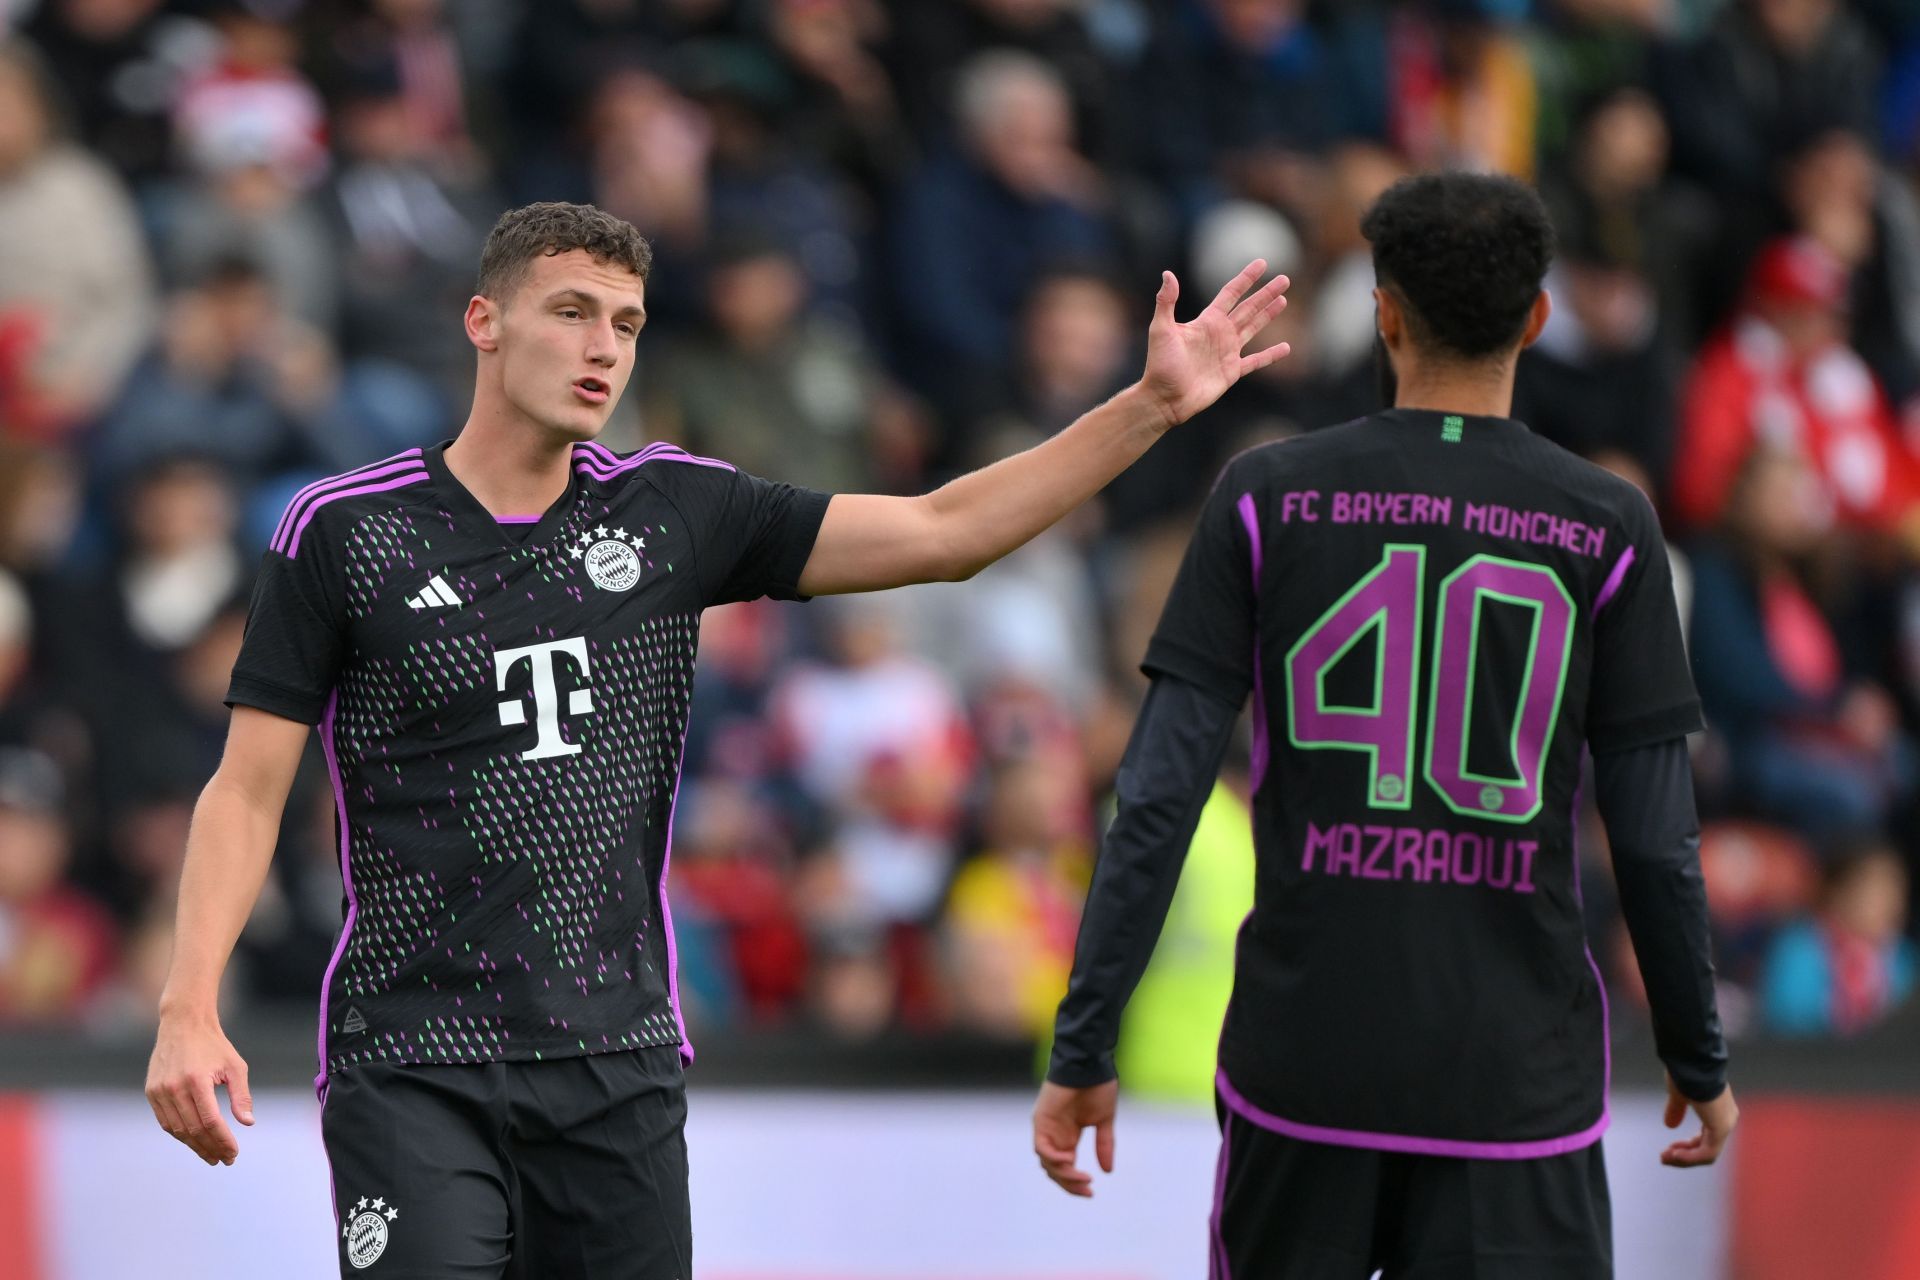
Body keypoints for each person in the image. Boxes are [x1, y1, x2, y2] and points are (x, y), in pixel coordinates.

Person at [142, 200, 1289, 1277]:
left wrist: (1148, 405)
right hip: (414, 1054)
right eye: (573, 311)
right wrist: (189, 1005)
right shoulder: (344, 530)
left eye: (629, 323)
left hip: (614, 1060)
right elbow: (246, 789)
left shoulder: (675, 510)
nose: (605, 346)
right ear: (483, 322)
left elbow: (948, 529)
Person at [1033, 172, 1738, 1279]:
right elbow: (1655, 835)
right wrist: (1696, 1049)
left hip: (1305, 1067)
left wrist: (1085, 1037)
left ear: (1385, 312)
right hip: (1517, 1081)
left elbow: (1158, 793)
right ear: (1537, 318)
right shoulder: (1609, 524)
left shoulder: (1264, 494)